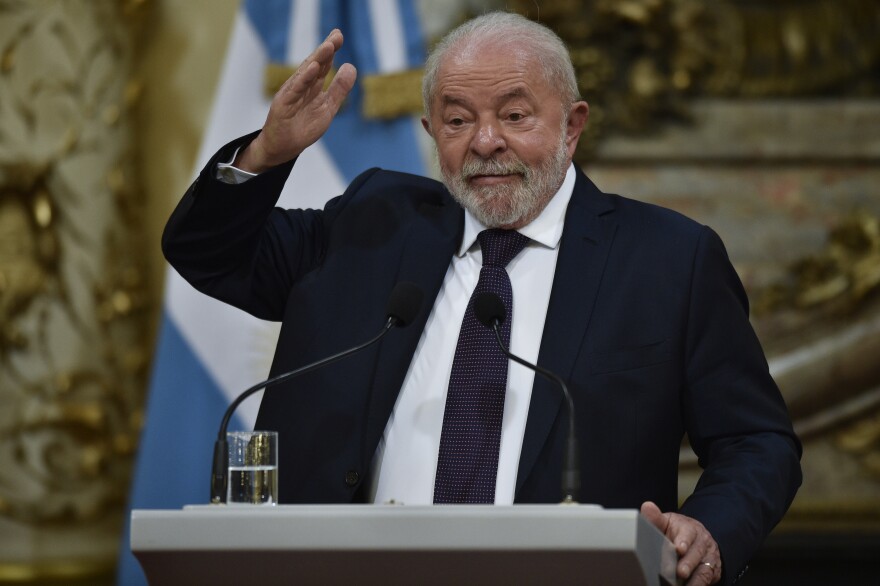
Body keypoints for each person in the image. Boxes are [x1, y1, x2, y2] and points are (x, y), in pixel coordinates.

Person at [163, 12, 801, 586]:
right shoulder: (370, 223)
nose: (485, 141)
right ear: (430, 131)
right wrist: (265, 156)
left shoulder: (670, 260)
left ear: (572, 125)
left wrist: (710, 530)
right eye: (458, 119)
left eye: (515, 115)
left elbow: (757, 441)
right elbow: (206, 251)